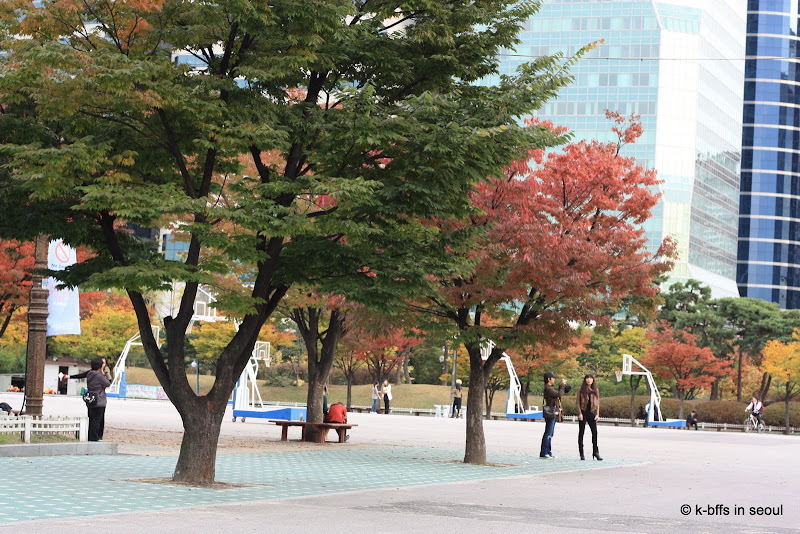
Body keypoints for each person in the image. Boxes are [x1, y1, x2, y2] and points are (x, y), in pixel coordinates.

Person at [540, 371, 570, 459]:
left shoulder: (550, 388)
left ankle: (548, 452)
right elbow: (558, 394)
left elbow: (558, 395)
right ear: (549, 379)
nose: (554, 379)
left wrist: (562, 387)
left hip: (553, 412)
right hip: (551, 412)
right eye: (553, 378)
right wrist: (562, 386)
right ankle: (544, 452)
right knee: (548, 433)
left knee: (550, 434)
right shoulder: (548, 388)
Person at [577, 373, 602, 461]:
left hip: (592, 412)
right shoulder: (581, 389)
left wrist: (597, 414)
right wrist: (580, 413)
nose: (589, 380)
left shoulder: (595, 390)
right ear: (585, 380)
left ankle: (596, 452)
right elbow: (578, 402)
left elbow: (597, 403)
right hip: (583, 412)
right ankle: (581, 453)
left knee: (595, 432)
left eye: (591, 378)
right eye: (587, 378)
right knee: (581, 432)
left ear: (593, 380)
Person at [86, 357, 111, 442]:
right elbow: (108, 383)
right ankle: (94, 437)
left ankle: (90, 437)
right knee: (97, 420)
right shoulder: (99, 376)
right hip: (99, 400)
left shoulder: (89, 374)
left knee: (91, 419)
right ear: (100, 366)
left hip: (90, 399)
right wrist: (107, 376)